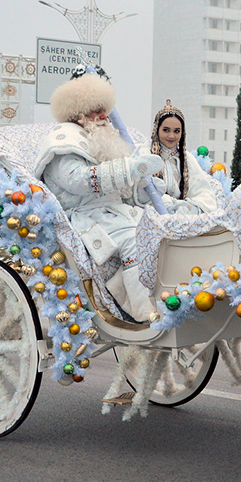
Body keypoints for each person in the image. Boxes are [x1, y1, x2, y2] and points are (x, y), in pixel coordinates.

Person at [33, 65, 166, 322]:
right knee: (136, 239)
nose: (103, 115)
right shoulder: (63, 142)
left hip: (116, 212)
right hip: (87, 218)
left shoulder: (104, 137)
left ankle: (144, 291)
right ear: (78, 113)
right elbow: (79, 181)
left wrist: (147, 186)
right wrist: (130, 168)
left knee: (163, 231)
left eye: (105, 108)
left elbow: (123, 187)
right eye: (96, 109)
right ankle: (142, 309)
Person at [150, 100, 222, 215]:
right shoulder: (145, 153)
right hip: (152, 215)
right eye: (166, 130)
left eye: (176, 131)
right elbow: (138, 190)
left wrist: (187, 208)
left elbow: (204, 194)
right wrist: (165, 203)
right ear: (156, 129)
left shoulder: (188, 159)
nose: (171, 136)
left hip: (181, 219)